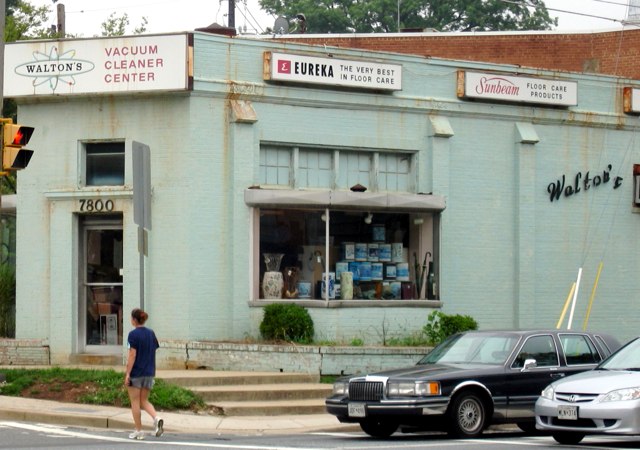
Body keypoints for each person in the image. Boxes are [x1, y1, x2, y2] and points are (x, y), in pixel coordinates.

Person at [125, 308, 164, 440]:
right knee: (144, 400)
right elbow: (154, 349)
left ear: (134, 320)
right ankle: (156, 418)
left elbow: (132, 354)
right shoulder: (151, 333)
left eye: (131, 318)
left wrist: (127, 373)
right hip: (149, 372)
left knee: (135, 402)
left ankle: (139, 430)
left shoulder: (133, 335)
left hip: (136, 373)